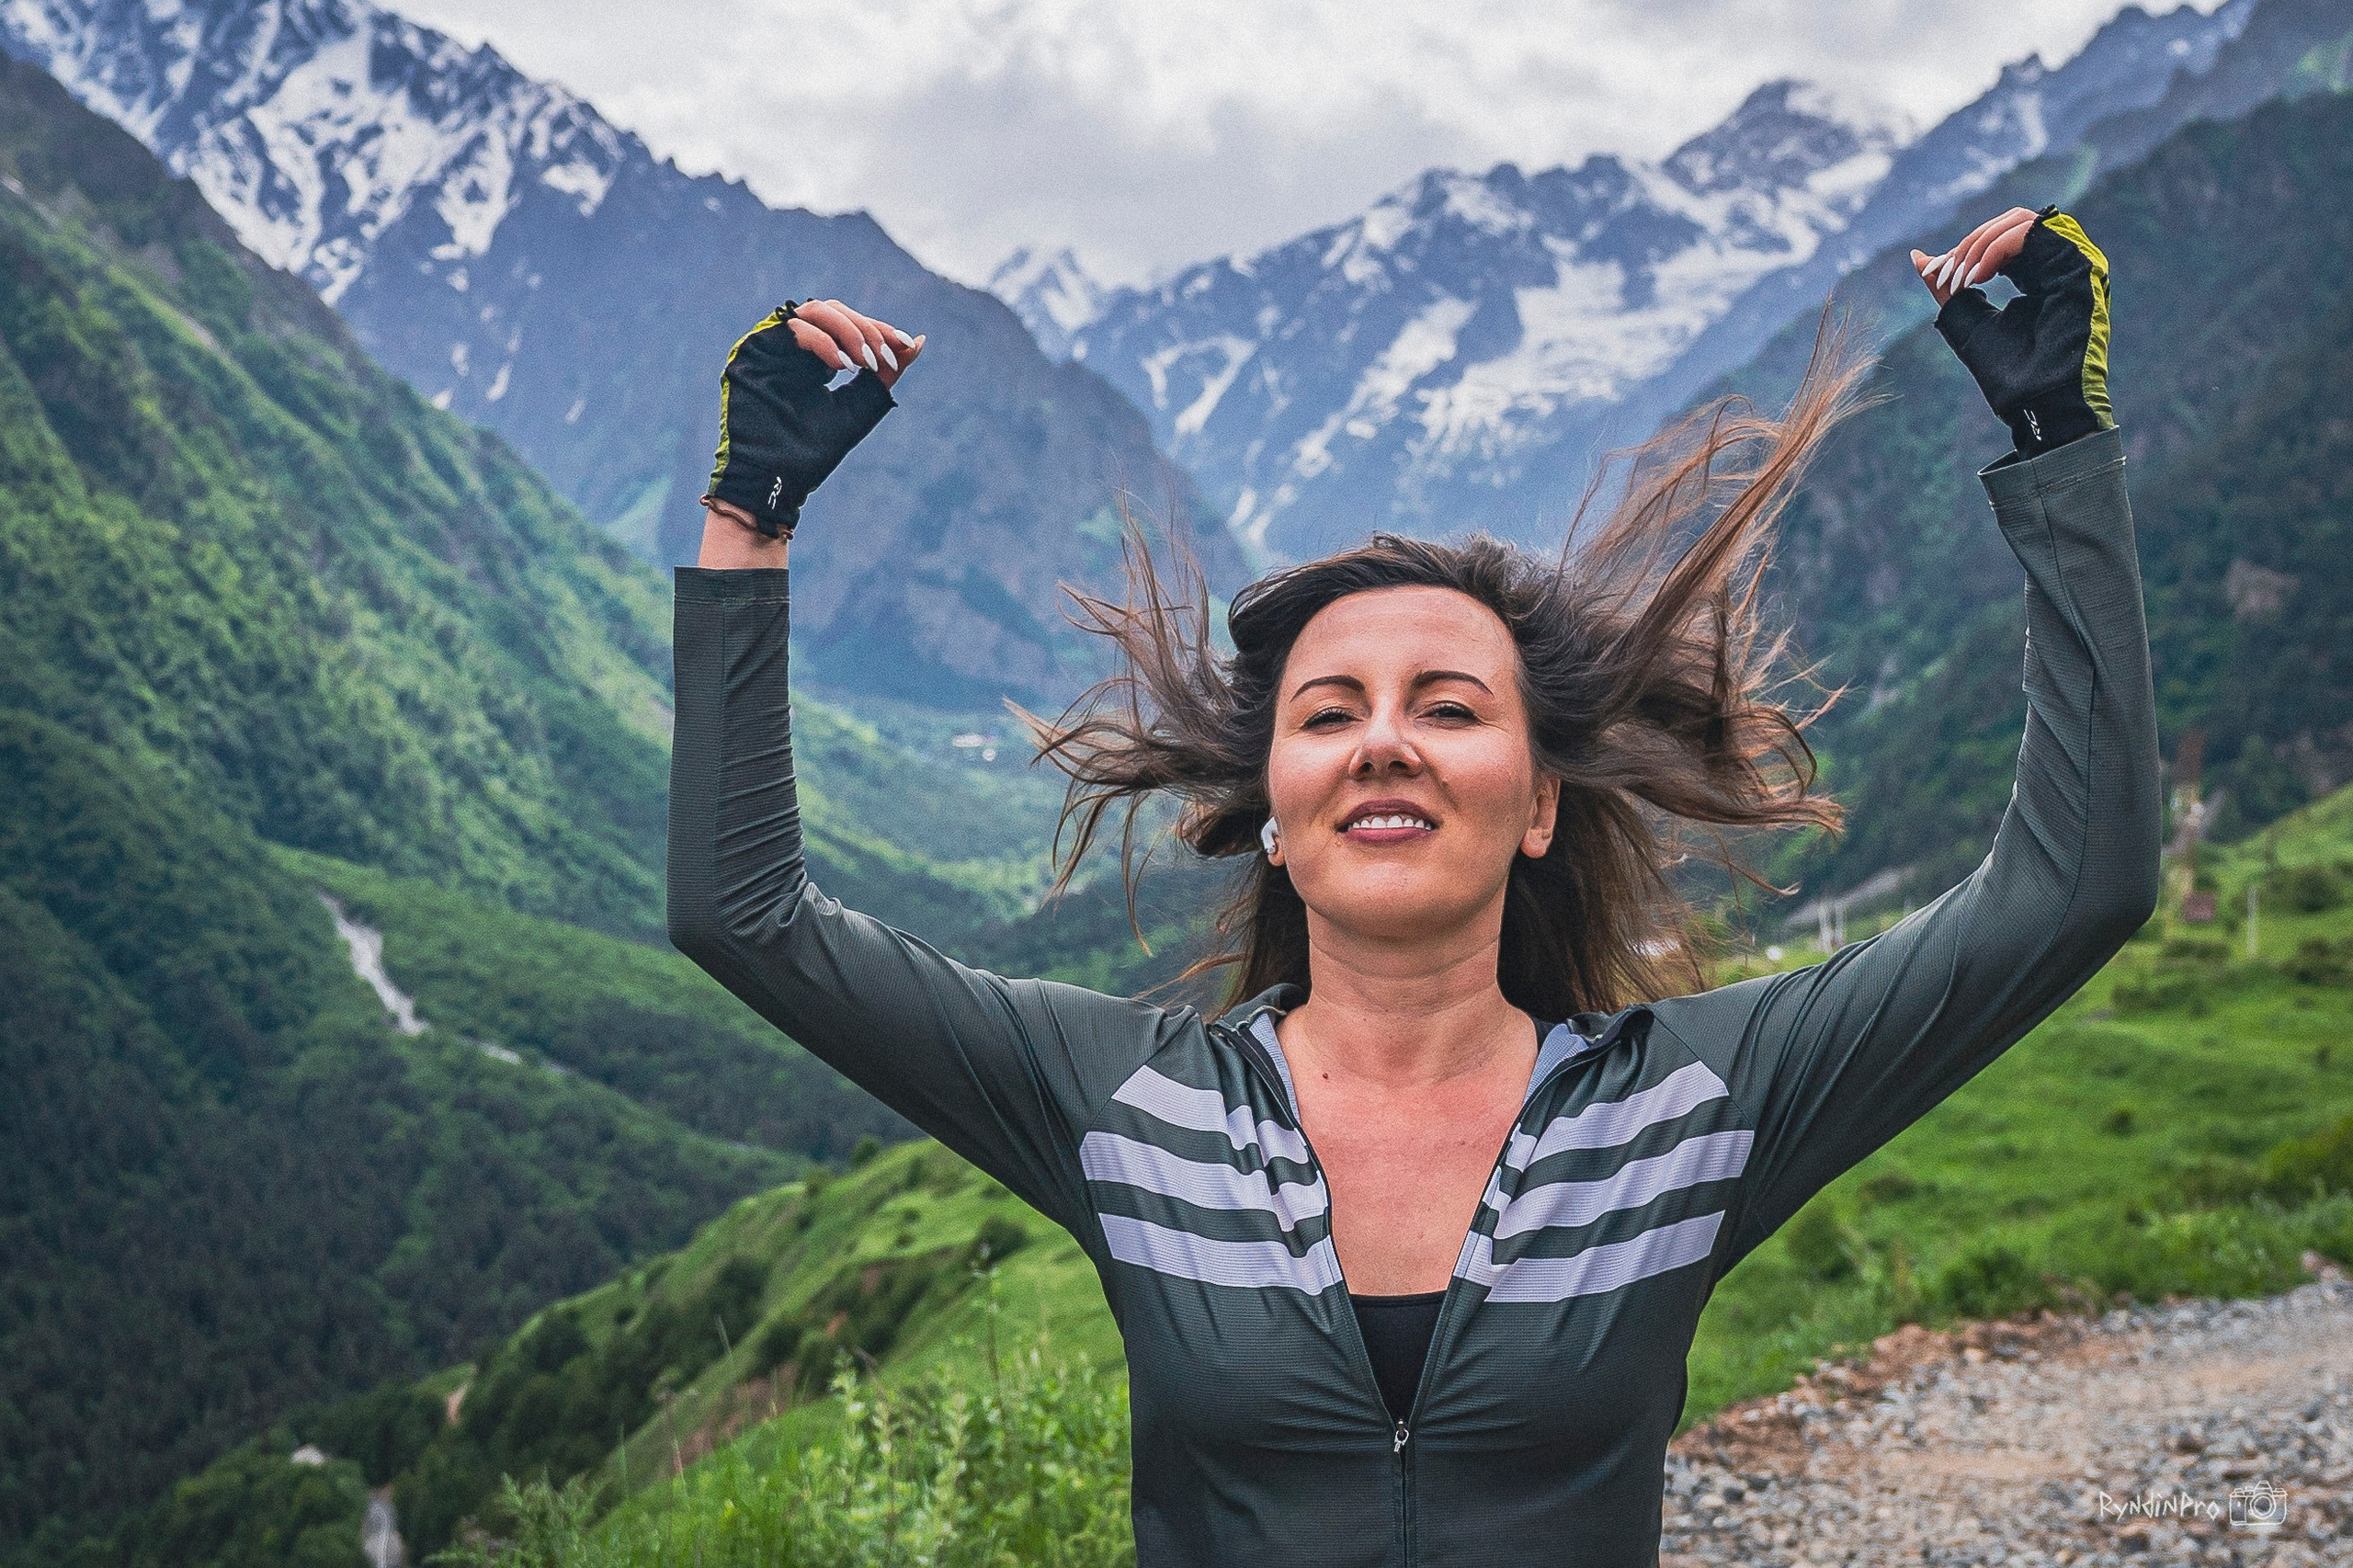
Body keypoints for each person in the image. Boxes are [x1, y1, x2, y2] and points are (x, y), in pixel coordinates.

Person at [668, 205, 2159, 1566]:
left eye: (1448, 707)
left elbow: (2072, 885)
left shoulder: (1690, 1112)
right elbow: (745, 917)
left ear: (1538, 805)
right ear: (1274, 808)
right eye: (1329, 714)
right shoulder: (1122, 1105)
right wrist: (751, 526)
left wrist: (2056, 443)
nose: (1384, 740)